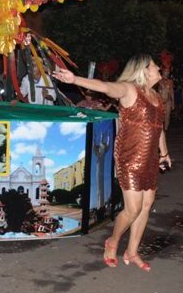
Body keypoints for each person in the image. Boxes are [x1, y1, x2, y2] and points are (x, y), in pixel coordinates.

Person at [52, 54, 170, 272]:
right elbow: (105, 87)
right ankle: (113, 242)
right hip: (130, 158)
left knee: (146, 205)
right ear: (143, 70)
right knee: (133, 208)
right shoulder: (129, 89)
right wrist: (74, 80)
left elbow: (157, 127)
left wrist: (164, 153)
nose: (159, 69)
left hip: (150, 159)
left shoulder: (156, 96)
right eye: (155, 66)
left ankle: (132, 251)